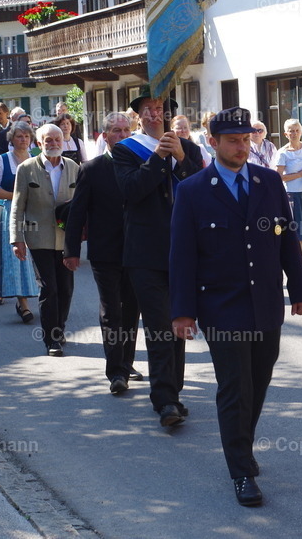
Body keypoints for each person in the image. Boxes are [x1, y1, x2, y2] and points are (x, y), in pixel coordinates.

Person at [170, 106, 302, 507]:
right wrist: (183, 311)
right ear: (212, 143)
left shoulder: (268, 181)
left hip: (265, 302)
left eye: (246, 139)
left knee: (259, 381)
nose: (242, 146)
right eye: (233, 140)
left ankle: (242, 446)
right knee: (235, 387)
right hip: (221, 305)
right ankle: (241, 471)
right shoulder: (193, 190)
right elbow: (182, 256)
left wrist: (300, 288)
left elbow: (286, 238)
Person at [113, 88, 203, 427]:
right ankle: (164, 400)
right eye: (148, 109)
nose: (154, 113)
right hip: (145, 253)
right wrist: (159, 158)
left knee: (178, 325)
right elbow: (131, 190)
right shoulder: (125, 150)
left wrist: (180, 156)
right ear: (139, 114)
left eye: (160, 108)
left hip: (184, 252)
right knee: (158, 326)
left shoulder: (189, 148)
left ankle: (174, 393)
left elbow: (203, 188)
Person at [63, 112, 143, 392]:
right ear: (105, 136)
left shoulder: (141, 165)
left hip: (136, 251)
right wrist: (71, 250)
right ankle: (115, 373)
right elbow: (77, 213)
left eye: (126, 131)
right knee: (112, 310)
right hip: (104, 252)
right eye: (116, 131)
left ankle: (126, 362)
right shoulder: (92, 168)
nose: (121, 135)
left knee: (132, 310)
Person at [11, 123, 79, 357]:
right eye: (48, 140)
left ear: (64, 141)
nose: (53, 143)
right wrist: (16, 239)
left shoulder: (73, 167)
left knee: (66, 288)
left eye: (57, 139)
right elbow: (18, 206)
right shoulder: (26, 168)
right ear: (38, 144)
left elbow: (80, 206)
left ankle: (60, 328)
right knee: (49, 288)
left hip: (65, 239)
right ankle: (51, 339)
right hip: (38, 237)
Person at [0, 121, 39, 318]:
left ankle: (43, 298)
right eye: (19, 136)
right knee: (18, 258)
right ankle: (23, 304)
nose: (23, 139)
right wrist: (18, 196)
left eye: (26, 136)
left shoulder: (37, 158)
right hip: (12, 211)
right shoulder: (2, 160)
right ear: (12, 138)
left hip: (36, 212)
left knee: (39, 255)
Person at [275, 119, 302, 268]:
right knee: (295, 225)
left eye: (296, 130)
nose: (294, 133)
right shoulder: (283, 153)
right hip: (291, 193)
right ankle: (300, 254)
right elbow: (278, 176)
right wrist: (300, 174)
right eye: (291, 131)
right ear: (285, 134)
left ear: (301, 132)